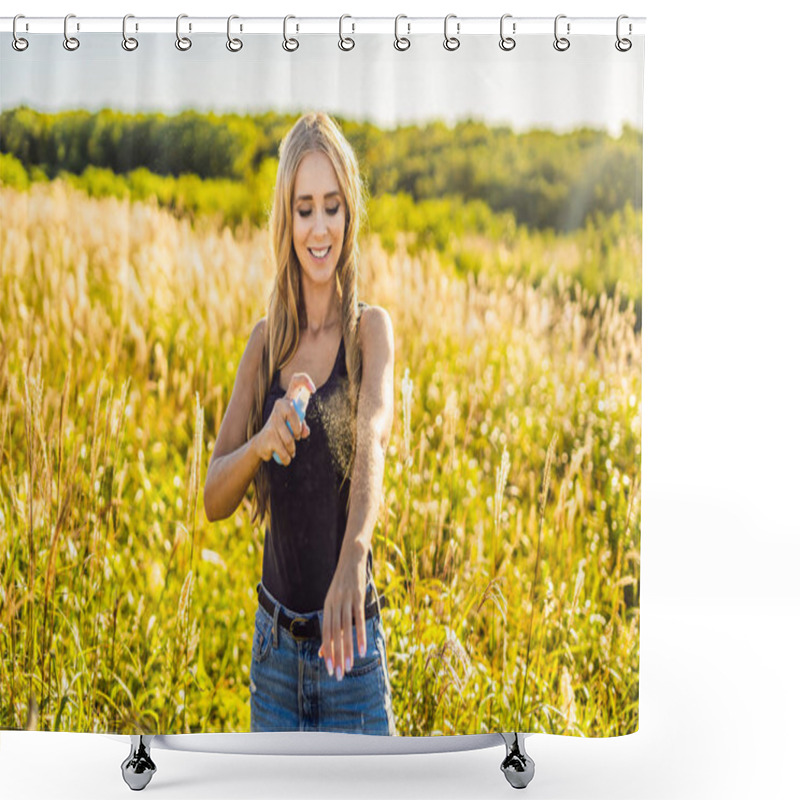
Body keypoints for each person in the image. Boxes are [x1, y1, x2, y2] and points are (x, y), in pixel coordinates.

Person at [203, 111, 397, 735]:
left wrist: (354, 560)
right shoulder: (264, 346)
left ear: (351, 215)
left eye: (333, 207)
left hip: (352, 653)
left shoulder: (371, 333)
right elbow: (212, 497)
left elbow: (372, 440)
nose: (320, 228)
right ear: (286, 221)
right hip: (276, 661)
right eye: (305, 208)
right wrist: (261, 442)